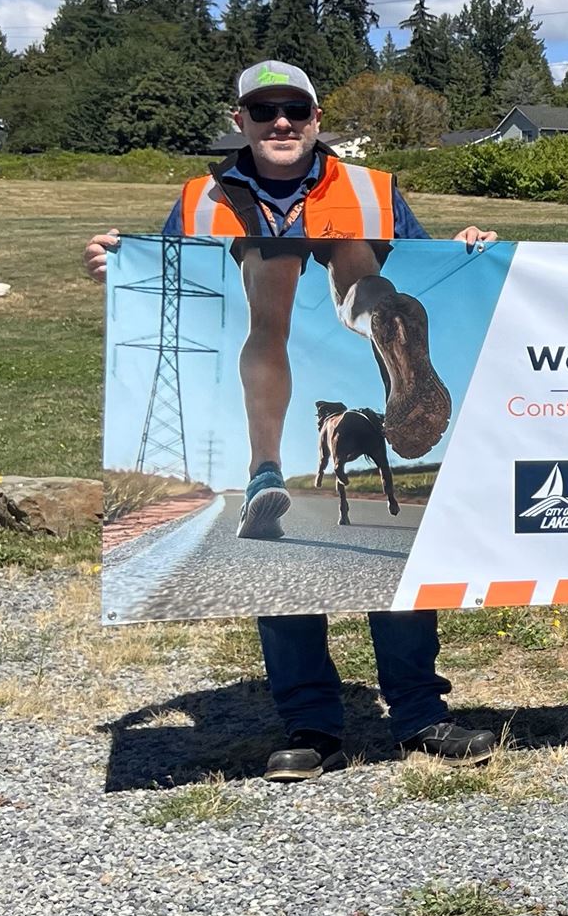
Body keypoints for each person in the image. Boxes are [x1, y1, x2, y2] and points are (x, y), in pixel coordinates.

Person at [82, 60, 502, 783]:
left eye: (297, 111)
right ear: (238, 118)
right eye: (264, 109)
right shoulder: (200, 200)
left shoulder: (371, 190)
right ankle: (362, 719)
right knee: (332, 277)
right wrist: (115, 267)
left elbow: (432, 245)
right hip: (296, 244)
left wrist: (470, 243)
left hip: (316, 242)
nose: (282, 123)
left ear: (316, 120)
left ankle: (271, 466)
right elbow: (165, 272)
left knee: (274, 313)